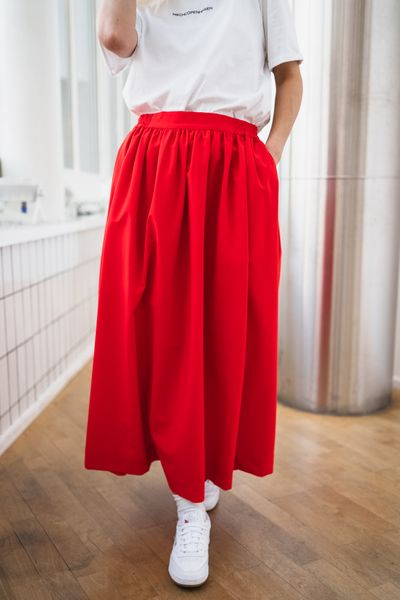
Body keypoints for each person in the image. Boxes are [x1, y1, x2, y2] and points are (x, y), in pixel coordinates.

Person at [84, 0, 303, 588]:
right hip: (155, 162)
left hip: (233, 166)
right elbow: (114, 36)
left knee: (226, 329)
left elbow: (289, 76)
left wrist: (271, 154)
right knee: (159, 330)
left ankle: (200, 472)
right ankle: (190, 502)